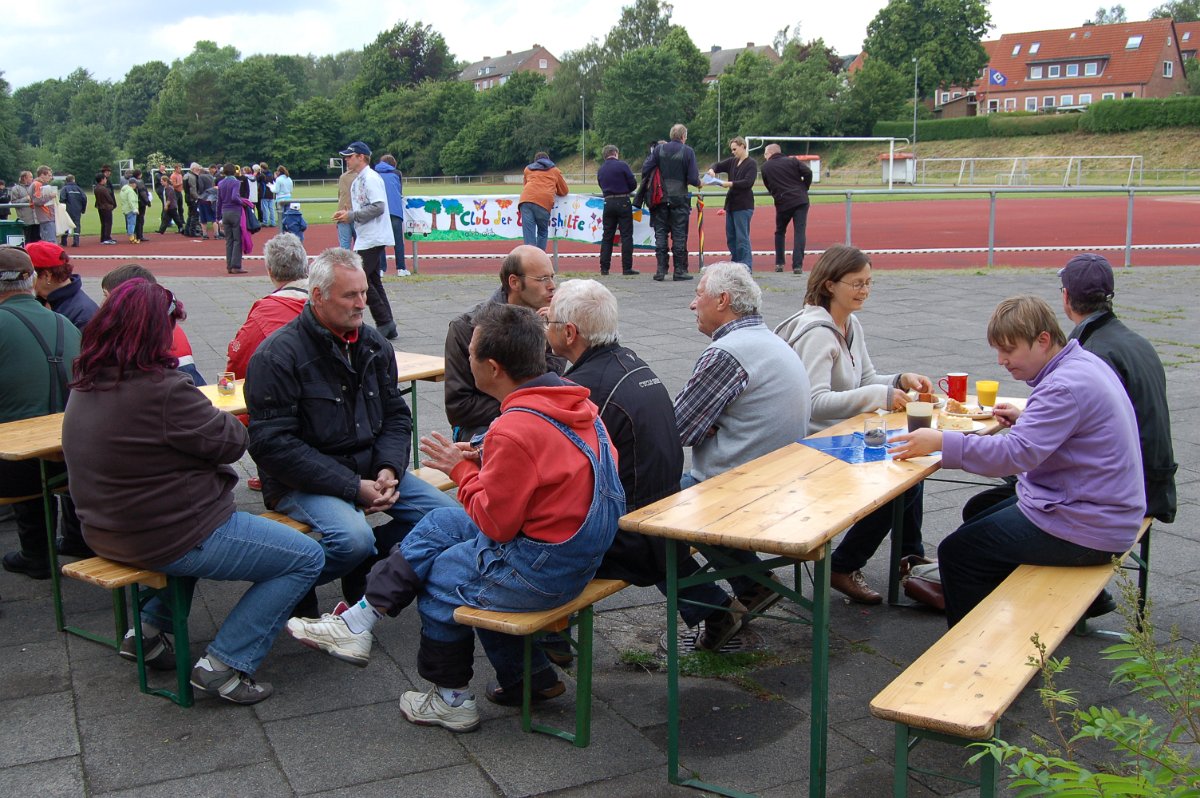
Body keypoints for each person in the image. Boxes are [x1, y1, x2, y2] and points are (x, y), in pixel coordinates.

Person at [286, 302, 624, 730]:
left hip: (545, 572)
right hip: (579, 553)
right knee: (440, 524)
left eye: (469, 356)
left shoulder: (514, 429)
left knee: (442, 578)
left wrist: (461, 469)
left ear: (493, 368)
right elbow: (550, 466)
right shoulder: (576, 406)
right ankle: (362, 621)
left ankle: (452, 700)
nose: (464, 363)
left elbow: (494, 524)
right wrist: (485, 456)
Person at [61, 278, 324, 704]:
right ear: (155, 332)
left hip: (105, 529)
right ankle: (225, 663)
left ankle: (146, 630)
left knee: (196, 530)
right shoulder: (162, 390)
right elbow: (233, 440)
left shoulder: (86, 382)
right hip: (169, 533)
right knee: (305, 557)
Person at [890, 295, 1145, 627]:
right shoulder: (1083, 364)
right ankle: (1003, 621)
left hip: (1089, 525)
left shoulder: (1062, 387)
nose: (1001, 360)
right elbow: (1069, 428)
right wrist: (1027, 417)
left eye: (1009, 350)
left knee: (957, 555)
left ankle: (976, 655)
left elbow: (1013, 456)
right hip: (1104, 510)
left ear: (1042, 340)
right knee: (979, 513)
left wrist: (940, 441)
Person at [246, 247, 458, 615]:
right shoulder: (277, 356)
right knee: (352, 539)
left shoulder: (373, 344)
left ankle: (367, 565)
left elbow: (396, 415)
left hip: (368, 470)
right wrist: (351, 488)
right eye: (351, 295)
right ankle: (289, 581)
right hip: (301, 481)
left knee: (451, 521)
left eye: (363, 292)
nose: (363, 303)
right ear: (317, 297)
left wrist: (388, 469)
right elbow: (272, 447)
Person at [544, 279, 748, 650]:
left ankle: (543, 652)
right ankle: (715, 607)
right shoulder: (632, 362)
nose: (546, 328)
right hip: (662, 514)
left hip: (631, 535)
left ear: (570, 333)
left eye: (551, 323)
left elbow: (561, 473)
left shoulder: (582, 388)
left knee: (538, 538)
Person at [774, 245, 933, 603]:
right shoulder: (817, 332)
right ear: (830, 284)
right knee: (901, 479)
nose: (864, 290)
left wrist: (900, 379)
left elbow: (867, 378)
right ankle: (846, 564)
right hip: (811, 444)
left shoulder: (850, 323)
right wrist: (880, 395)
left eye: (868, 282)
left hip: (839, 436)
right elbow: (814, 403)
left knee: (911, 463)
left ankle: (909, 556)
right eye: (857, 283)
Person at [673, 262, 812, 646]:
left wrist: (710, 423)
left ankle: (716, 608)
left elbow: (677, 428)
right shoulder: (767, 340)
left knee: (645, 517)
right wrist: (712, 421)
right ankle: (753, 583)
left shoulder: (728, 353)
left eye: (698, 294)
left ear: (722, 300)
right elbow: (696, 423)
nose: (692, 305)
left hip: (744, 492)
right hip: (778, 482)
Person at [0, 245, 89, 578]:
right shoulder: (65, 322)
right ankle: (63, 543)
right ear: (32, 280)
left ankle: (37, 552)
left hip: (14, 468)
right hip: (73, 461)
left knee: (18, 437)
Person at [444, 245, 567, 442]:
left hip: (535, 416)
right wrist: (520, 405)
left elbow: (553, 385)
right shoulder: (467, 327)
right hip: (484, 426)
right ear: (514, 282)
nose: (552, 285)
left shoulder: (549, 321)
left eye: (552, 277)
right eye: (543, 278)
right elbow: (460, 408)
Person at [331, 141, 396, 339]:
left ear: (361, 157)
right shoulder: (361, 178)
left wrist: (351, 216)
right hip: (368, 235)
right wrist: (349, 214)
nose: (346, 160)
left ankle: (384, 321)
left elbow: (378, 207)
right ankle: (387, 323)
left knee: (362, 280)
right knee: (373, 280)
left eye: (350, 156)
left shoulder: (370, 178)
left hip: (372, 236)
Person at [99, 264, 205, 386]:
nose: (102, 304)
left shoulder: (169, 342)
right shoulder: (134, 333)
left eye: (106, 296)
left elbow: (195, 388)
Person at [225, 233, 309, 380]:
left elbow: (237, 364)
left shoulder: (264, 314)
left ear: (270, 272)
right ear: (305, 265)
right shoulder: (330, 301)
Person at [642, 124, 700, 282]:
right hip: (679, 198)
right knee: (679, 236)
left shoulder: (659, 150)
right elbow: (694, 179)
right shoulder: (688, 151)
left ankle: (661, 270)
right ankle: (679, 270)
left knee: (660, 234)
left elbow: (646, 168)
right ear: (683, 136)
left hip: (660, 198)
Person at [706, 137, 758, 269]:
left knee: (742, 238)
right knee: (731, 237)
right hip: (731, 205)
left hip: (743, 205)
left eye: (735, 149)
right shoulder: (732, 162)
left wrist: (728, 184)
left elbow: (747, 182)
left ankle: (746, 266)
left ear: (742, 146)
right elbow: (717, 165)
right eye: (732, 150)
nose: (733, 152)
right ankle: (736, 265)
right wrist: (712, 170)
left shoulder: (751, 163)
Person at [760, 144, 813, 274]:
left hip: (783, 202)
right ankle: (797, 266)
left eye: (765, 154)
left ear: (770, 153)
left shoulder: (765, 167)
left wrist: (776, 193)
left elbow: (768, 185)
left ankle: (779, 263)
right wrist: (804, 187)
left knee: (780, 232)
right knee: (799, 232)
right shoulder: (793, 161)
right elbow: (808, 172)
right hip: (800, 200)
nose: (765, 157)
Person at [28, 240, 98, 330]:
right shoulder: (40, 300)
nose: (24, 280)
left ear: (47, 275)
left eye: (28, 275)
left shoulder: (83, 314)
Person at [596, 144, 638, 276]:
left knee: (607, 236)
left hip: (608, 202)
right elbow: (633, 184)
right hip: (623, 201)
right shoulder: (622, 165)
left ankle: (604, 268)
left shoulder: (601, 169)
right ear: (615, 153)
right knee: (626, 235)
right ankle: (626, 268)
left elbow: (601, 184)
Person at [518, 151, 568, 251]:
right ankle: (539, 259)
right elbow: (564, 191)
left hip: (526, 200)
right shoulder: (555, 171)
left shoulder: (528, 169)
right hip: (544, 202)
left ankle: (529, 259)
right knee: (542, 232)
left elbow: (525, 185)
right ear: (548, 160)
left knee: (529, 234)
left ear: (535, 161)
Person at [375, 154, 409, 276]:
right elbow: (399, 191)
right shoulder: (397, 173)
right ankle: (401, 269)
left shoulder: (375, 173)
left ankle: (380, 269)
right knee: (398, 241)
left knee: (380, 242)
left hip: (380, 211)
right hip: (395, 210)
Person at [216, 163, 248, 274]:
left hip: (225, 212)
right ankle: (236, 265)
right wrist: (242, 202)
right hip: (235, 212)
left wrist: (217, 216)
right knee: (237, 239)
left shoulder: (221, 183)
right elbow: (234, 197)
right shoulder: (235, 182)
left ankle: (229, 265)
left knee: (228, 240)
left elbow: (219, 201)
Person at [57, 175, 88, 248]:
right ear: (73, 180)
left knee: (66, 224)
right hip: (77, 209)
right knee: (77, 225)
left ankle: (64, 241)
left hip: (67, 209)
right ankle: (76, 241)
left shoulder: (64, 189)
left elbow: (62, 199)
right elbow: (84, 198)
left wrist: (62, 209)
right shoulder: (79, 189)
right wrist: (83, 209)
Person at [31, 166, 58, 244]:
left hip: (46, 217)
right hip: (46, 217)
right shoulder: (38, 184)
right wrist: (50, 196)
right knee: (51, 242)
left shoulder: (38, 184)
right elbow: (37, 200)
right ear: (42, 174)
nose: (50, 178)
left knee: (49, 241)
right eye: (49, 175)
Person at [11, 171, 38, 243]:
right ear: (24, 178)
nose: (32, 179)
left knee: (37, 242)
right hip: (25, 221)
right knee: (27, 242)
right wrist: (25, 199)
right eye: (31, 177)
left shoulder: (34, 187)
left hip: (36, 220)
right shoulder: (16, 189)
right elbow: (13, 203)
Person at [335, 162, 355, 250]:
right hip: (356, 214)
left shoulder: (342, 177)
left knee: (344, 244)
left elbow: (339, 195)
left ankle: (345, 263)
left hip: (342, 213)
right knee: (360, 244)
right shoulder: (361, 176)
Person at [93, 173, 117, 245]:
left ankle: (103, 237)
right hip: (106, 207)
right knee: (108, 223)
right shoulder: (103, 189)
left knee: (103, 223)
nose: (106, 180)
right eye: (105, 178)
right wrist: (112, 203)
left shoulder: (96, 188)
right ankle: (107, 238)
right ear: (102, 179)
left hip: (100, 207)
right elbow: (109, 198)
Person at [118, 176, 140, 245]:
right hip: (130, 209)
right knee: (132, 223)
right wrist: (135, 209)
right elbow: (131, 201)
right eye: (135, 184)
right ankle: (132, 238)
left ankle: (131, 236)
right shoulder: (130, 191)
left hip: (125, 208)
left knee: (129, 223)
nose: (136, 185)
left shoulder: (123, 189)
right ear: (132, 184)